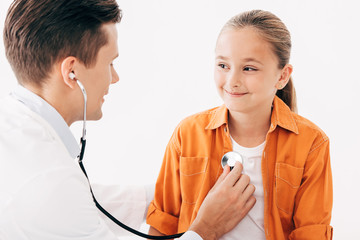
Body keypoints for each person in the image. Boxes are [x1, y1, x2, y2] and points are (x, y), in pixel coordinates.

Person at [0, 1, 256, 240]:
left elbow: (85, 200)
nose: (115, 77)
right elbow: (64, 199)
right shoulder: (50, 183)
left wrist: (181, 187)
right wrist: (205, 228)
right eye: (110, 63)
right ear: (72, 72)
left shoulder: (17, 129)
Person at [146, 9, 333, 240]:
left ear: (282, 76)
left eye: (249, 68)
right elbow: (163, 224)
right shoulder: (187, 134)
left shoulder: (312, 143)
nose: (232, 81)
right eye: (223, 66)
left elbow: (311, 233)